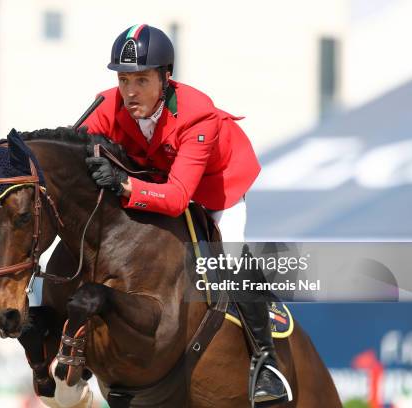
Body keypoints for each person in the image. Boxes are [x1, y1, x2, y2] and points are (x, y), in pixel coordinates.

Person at [83, 24, 288, 404]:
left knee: (231, 260)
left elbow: (178, 198)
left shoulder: (197, 114)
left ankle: (266, 362)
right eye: (124, 78)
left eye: (141, 80)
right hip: (156, 183)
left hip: (216, 191)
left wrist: (125, 186)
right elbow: (69, 146)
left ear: (165, 77)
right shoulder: (106, 104)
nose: (129, 92)